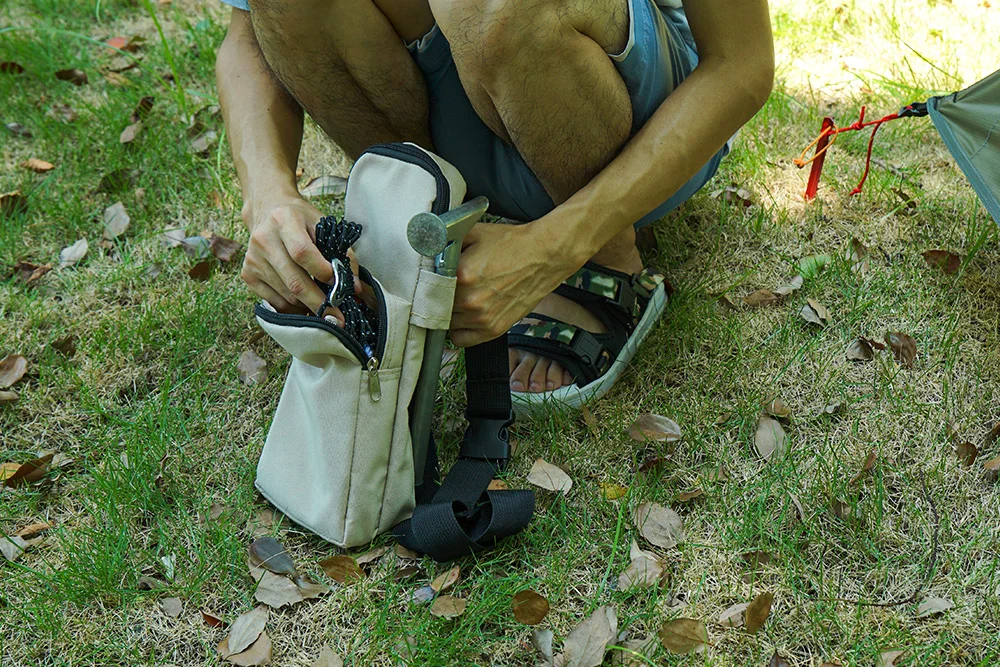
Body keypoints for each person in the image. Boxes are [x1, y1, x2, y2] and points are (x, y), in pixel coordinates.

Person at [215, 0, 773, 402]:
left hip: (630, 108)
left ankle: (602, 255)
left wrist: (551, 249)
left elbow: (740, 63)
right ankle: (427, 208)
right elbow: (250, 34)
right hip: (460, 84)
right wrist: (268, 194)